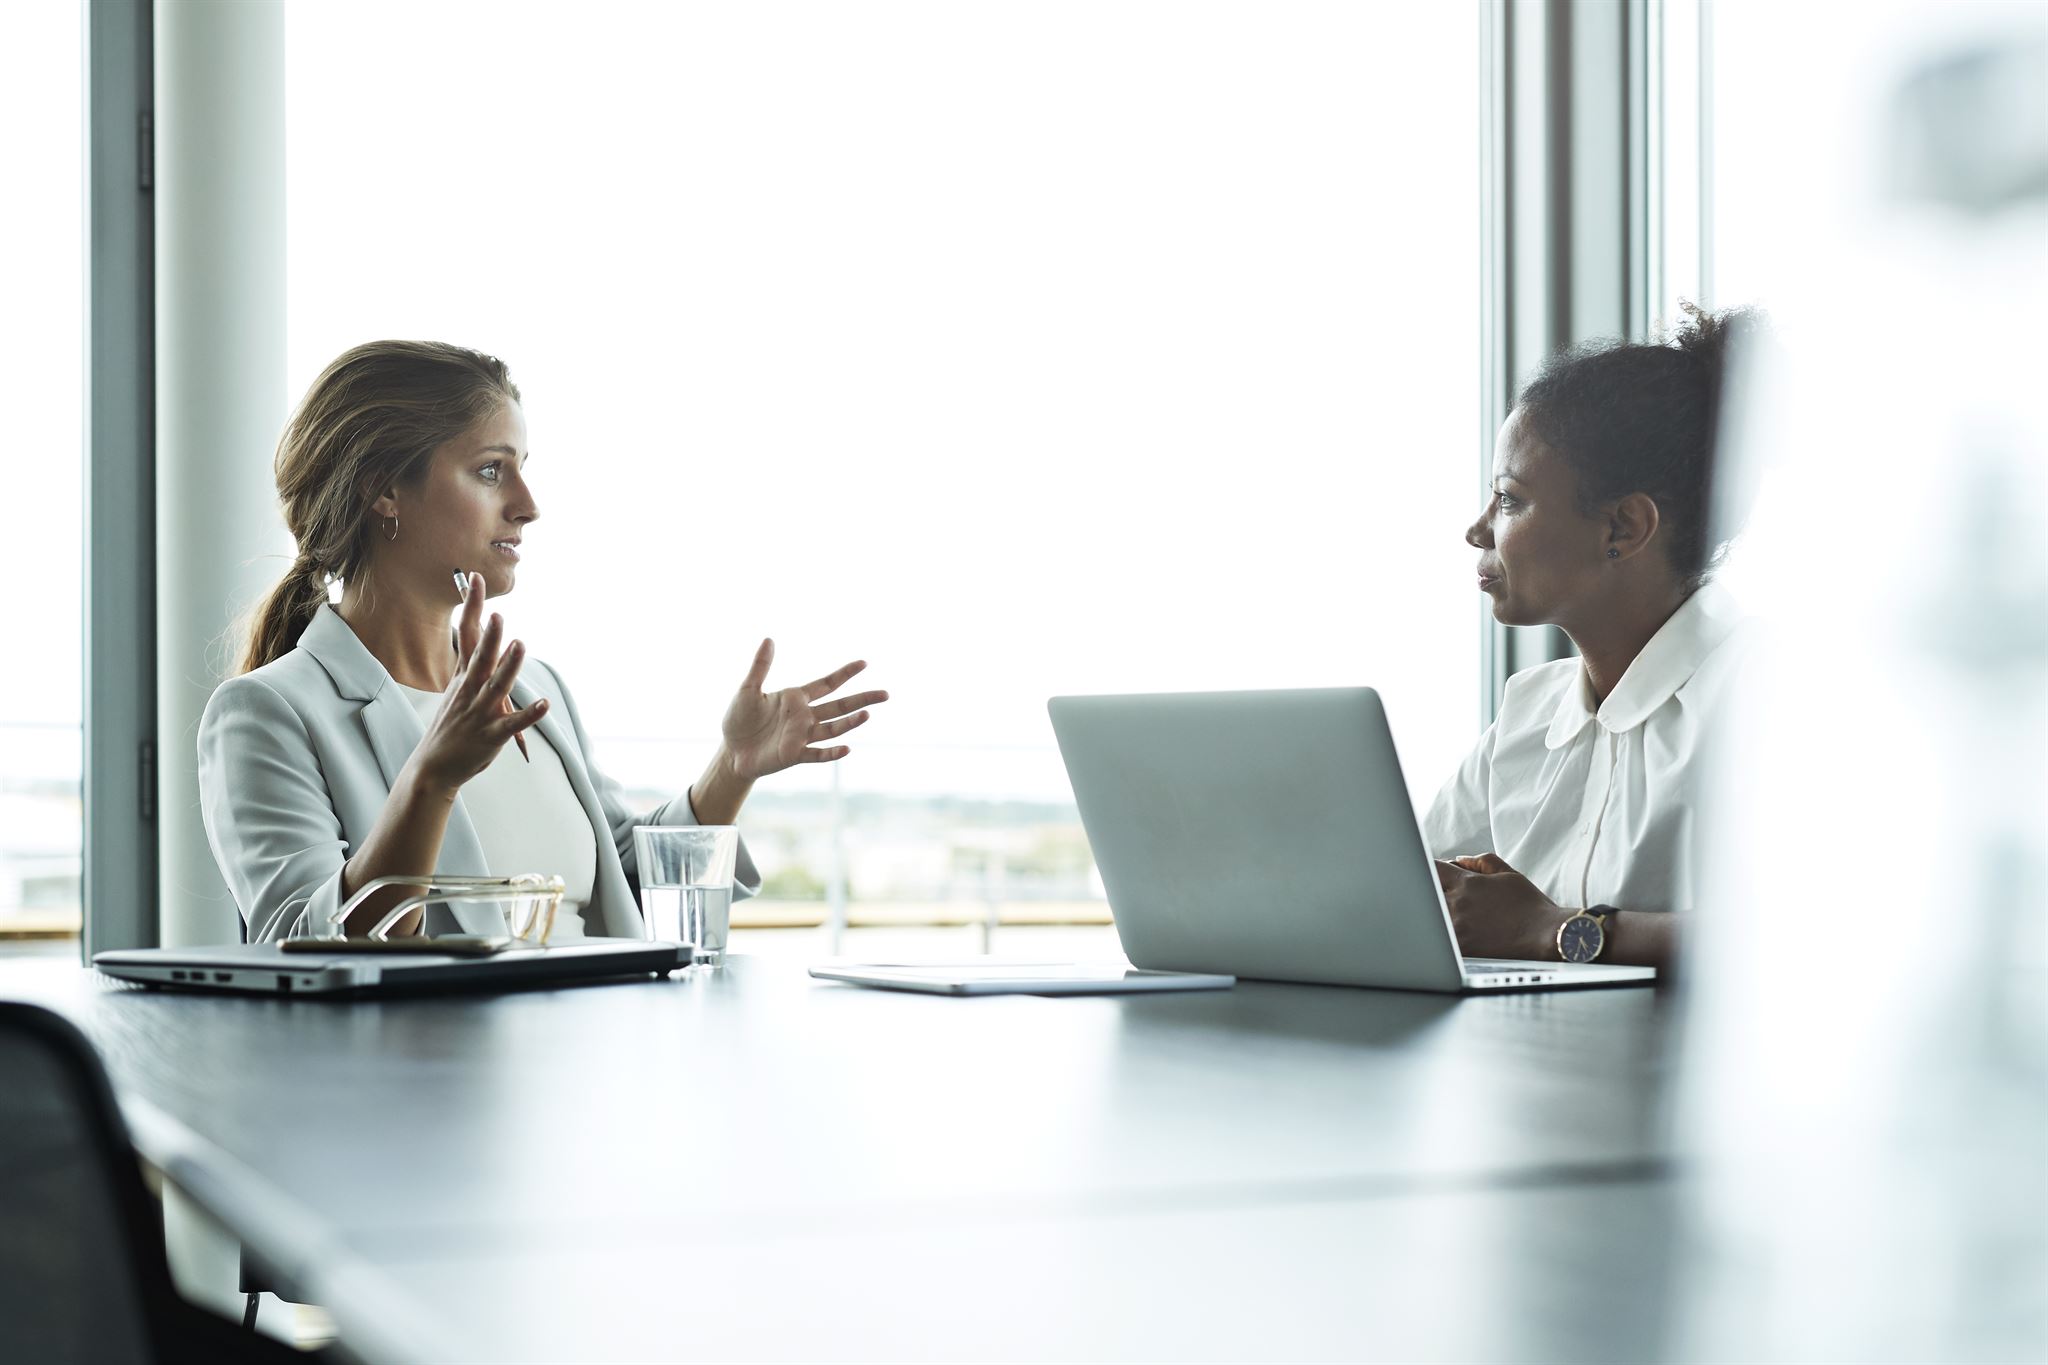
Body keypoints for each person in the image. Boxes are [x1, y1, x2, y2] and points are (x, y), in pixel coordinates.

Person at [200, 340, 887, 942]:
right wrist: (433, 778)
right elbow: (301, 947)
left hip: (598, 1061)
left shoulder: (538, 689)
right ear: (384, 489)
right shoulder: (268, 713)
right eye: (492, 469)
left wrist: (732, 768)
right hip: (428, 1086)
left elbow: (626, 882)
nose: (528, 504)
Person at [1423, 305, 1757, 974]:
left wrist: (1555, 930)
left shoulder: (1766, 693)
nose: (1478, 530)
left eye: (1510, 499)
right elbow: (1411, 890)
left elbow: (1820, 936)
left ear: (1624, 527)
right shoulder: (1529, 711)